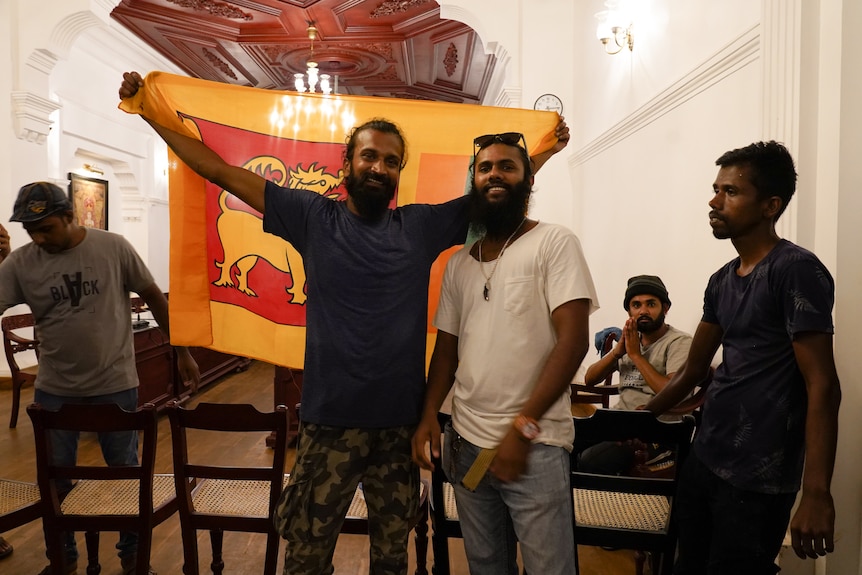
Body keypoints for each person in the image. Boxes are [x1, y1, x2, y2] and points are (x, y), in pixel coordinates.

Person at [118, 71, 570, 575]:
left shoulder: (420, 227)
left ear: (400, 171)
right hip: (327, 424)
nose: (379, 167)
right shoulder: (312, 217)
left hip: (399, 429)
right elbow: (221, 172)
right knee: (306, 560)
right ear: (348, 163)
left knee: (391, 560)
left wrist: (543, 153)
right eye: (370, 156)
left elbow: (499, 186)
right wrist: (150, 114)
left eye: (391, 160)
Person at [645, 141, 841, 573]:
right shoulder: (721, 281)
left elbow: (822, 385)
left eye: (730, 192)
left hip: (759, 477)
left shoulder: (796, 270)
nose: (714, 202)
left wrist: (816, 492)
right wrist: (640, 420)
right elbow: (693, 370)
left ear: (771, 205)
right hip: (706, 458)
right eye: (716, 189)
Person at [411, 132, 597, 575]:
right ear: (473, 181)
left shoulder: (555, 243)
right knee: (486, 566)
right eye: (484, 168)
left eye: (507, 167)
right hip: (466, 443)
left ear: (528, 180)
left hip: (535, 447)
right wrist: (428, 418)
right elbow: (446, 352)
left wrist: (523, 427)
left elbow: (574, 343)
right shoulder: (459, 263)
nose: (494, 174)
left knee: (549, 569)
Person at [0, 182, 201, 575]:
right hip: (55, 390)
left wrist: (183, 351)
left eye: (46, 228)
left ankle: (132, 558)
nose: (39, 238)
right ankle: (63, 560)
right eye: (31, 230)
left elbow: (156, 296)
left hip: (115, 384)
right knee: (55, 480)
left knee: (125, 476)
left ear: (70, 216)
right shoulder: (21, 263)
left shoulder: (113, 247)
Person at [578, 274, 692, 475]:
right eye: (636, 305)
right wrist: (617, 353)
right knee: (566, 442)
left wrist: (636, 356)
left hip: (654, 433)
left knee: (588, 461)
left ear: (665, 308)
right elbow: (590, 380)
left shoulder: (678, 342)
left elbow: (673, 392)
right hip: (619, 424)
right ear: (629, 311)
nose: (643, 311)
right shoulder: (631, 340)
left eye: (651, 304)